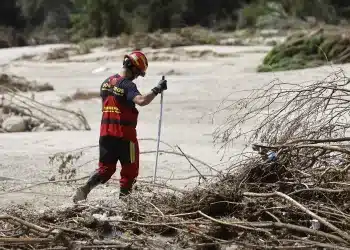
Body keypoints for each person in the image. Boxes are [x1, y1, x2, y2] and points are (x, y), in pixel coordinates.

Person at [73, 51, 167, 202]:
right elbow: (141, 100)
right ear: (132, 67)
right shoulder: (128, 85)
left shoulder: (105, 82)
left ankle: (85, 189)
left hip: (105, 134)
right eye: (138, 72)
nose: (137, 76)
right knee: (130, 172)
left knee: (105, 169)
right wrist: (157, 89)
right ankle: (124, 203)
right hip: (125, 136)